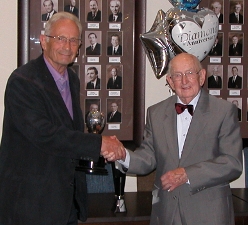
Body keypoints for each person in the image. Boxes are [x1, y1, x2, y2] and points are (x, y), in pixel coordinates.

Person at [0, 12, 126, 225]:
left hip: (65, 204)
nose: (67, 46)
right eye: (60, 38)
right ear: (43, 41)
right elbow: (45, 134)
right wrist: (98, 143)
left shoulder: (72, 80)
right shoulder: (23, 81)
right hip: (30, 206)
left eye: (73, 40)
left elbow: (70, 133)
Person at [117, 53, 243, 224]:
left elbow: (232, 163)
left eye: (190, 73)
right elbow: (148, 157)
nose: (184, 81)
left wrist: (188, 174)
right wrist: (122, 155)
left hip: (209, 214)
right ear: (170, 81)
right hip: (167, 212)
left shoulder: (223, 111)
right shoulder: (155, 113)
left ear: (202, 76)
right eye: (177, 75)